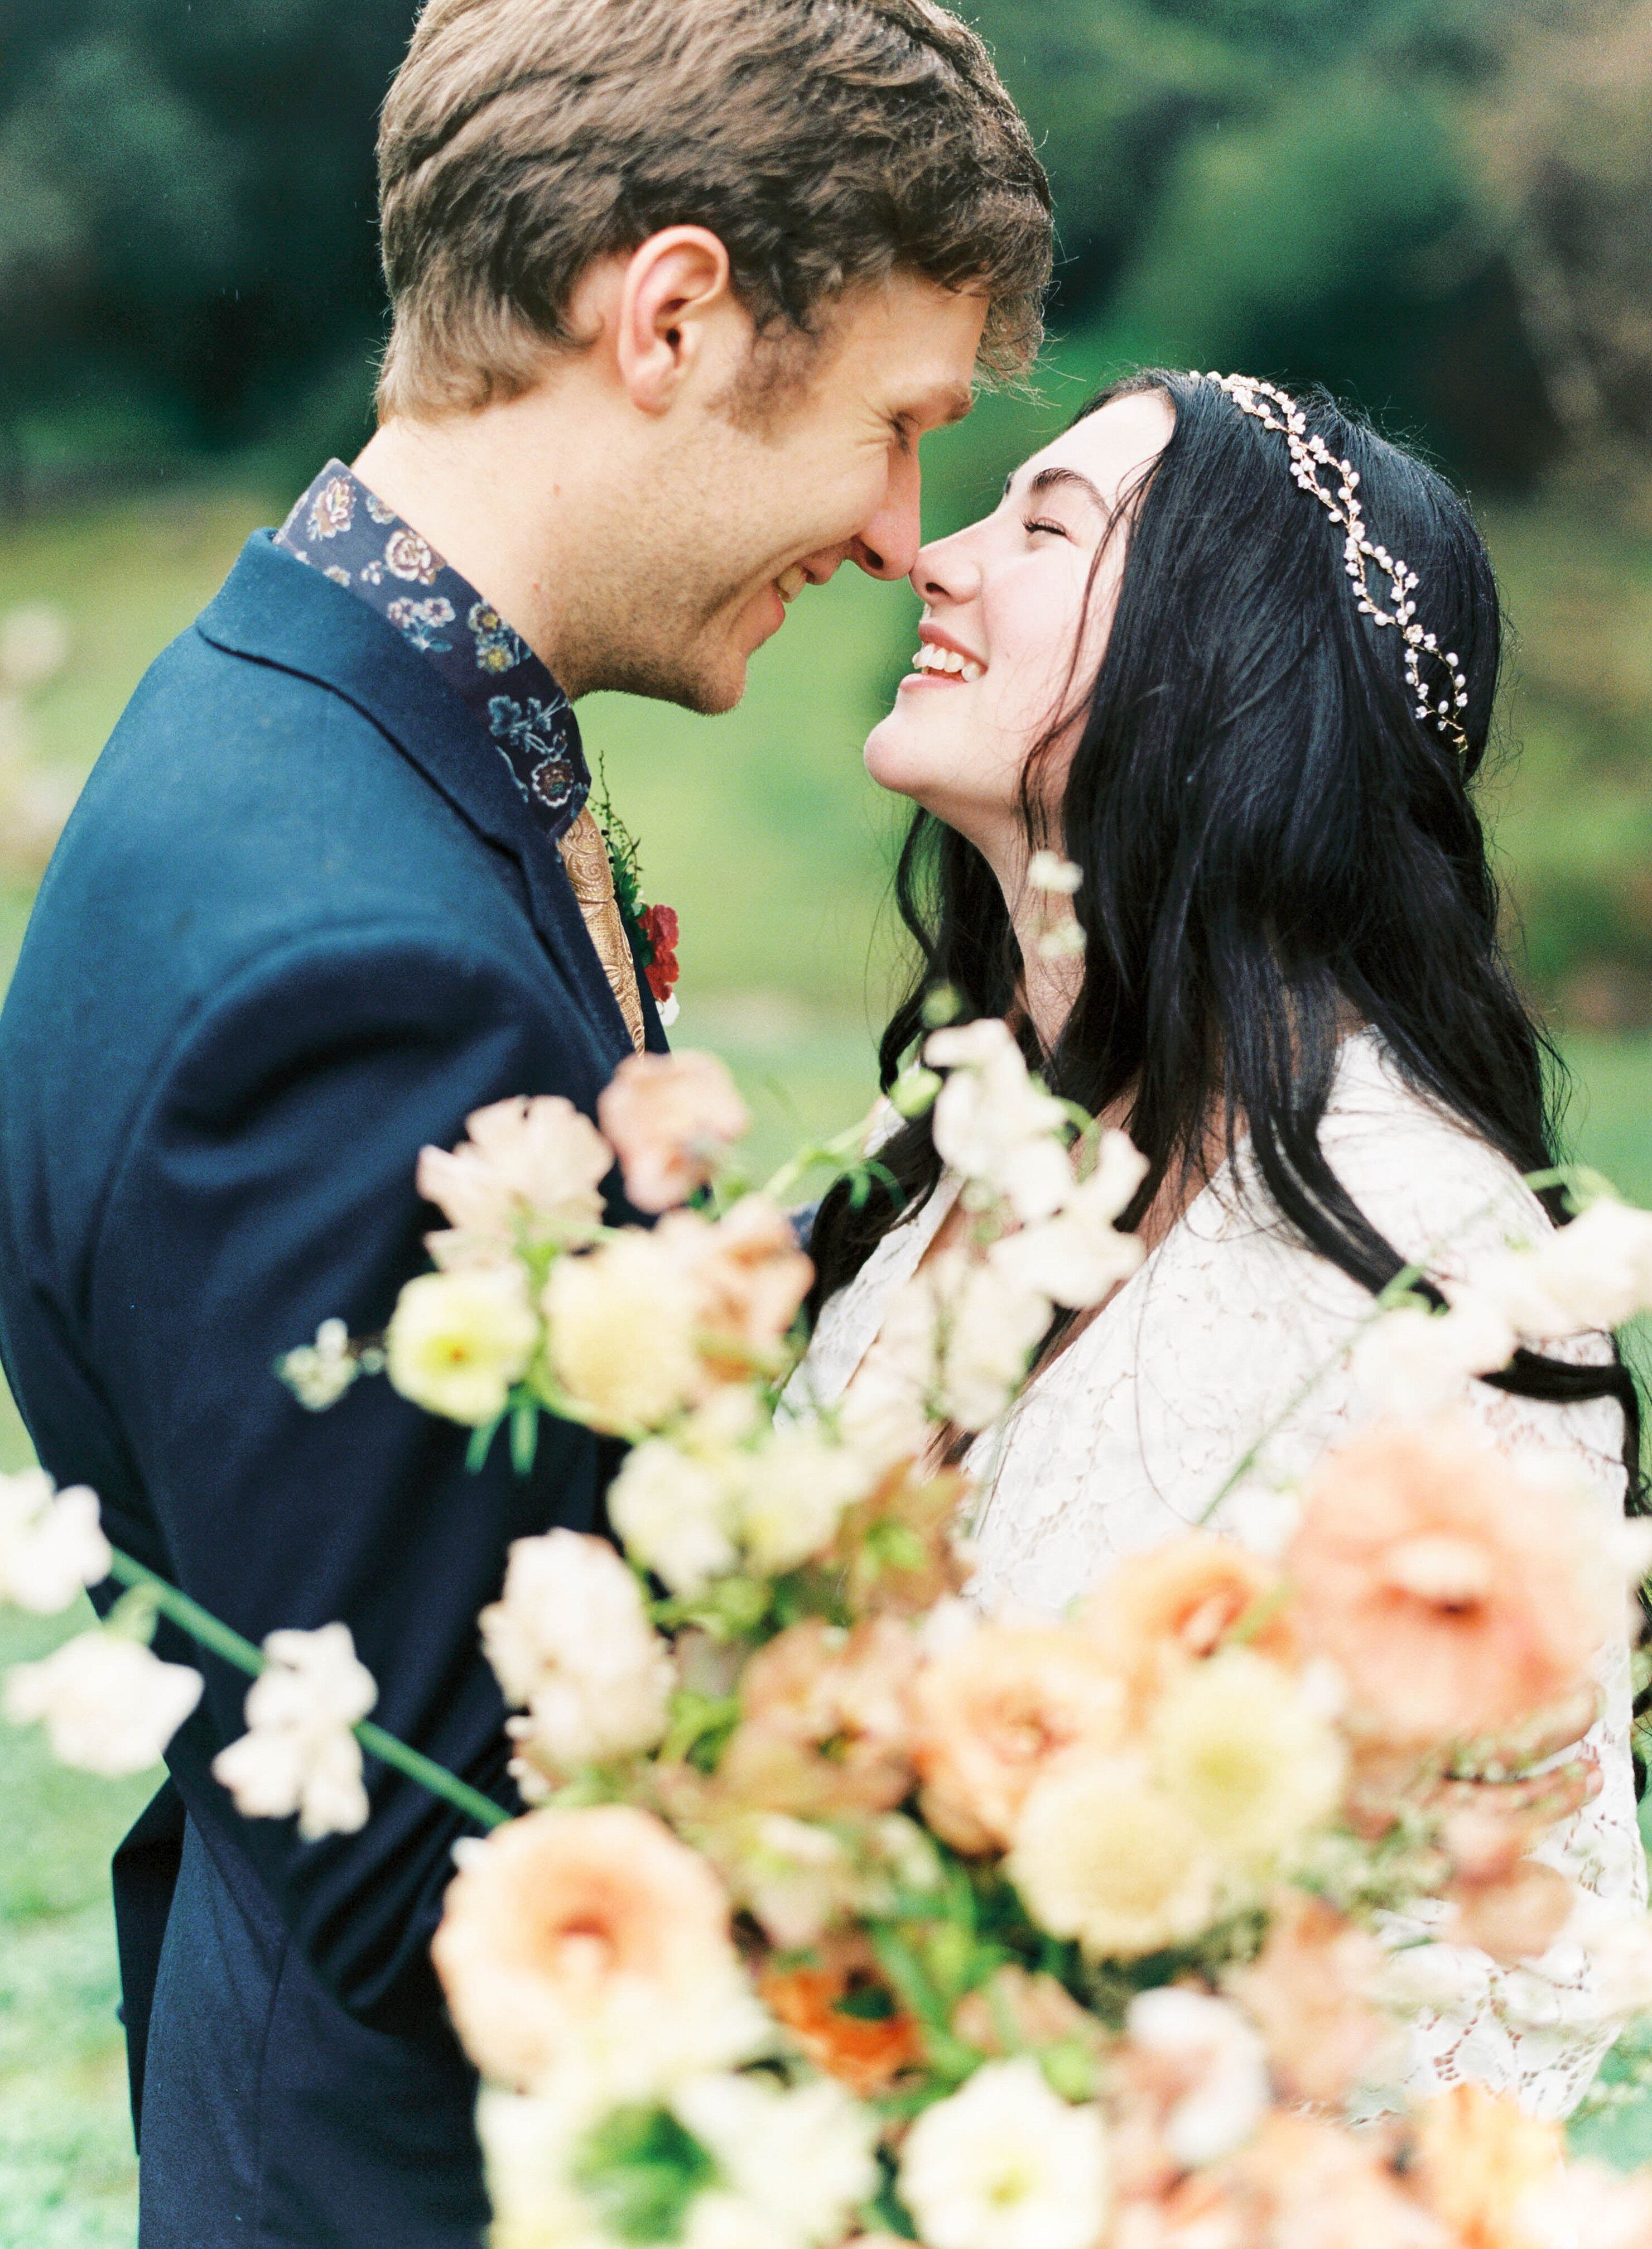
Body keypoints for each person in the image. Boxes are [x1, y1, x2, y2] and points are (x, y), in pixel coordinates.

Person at [0, 3, 1051, 2243]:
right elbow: (443, 1867)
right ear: (667, 314)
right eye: (894, 425)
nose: (897, 532)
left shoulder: (329, 728)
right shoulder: (345, 963)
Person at [801, 371, 1652, 2117]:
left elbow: (1496, 1989)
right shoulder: (955, 1163)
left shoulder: (1423, 1272)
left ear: (1229, 663)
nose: (936, 559)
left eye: (1043, 526)